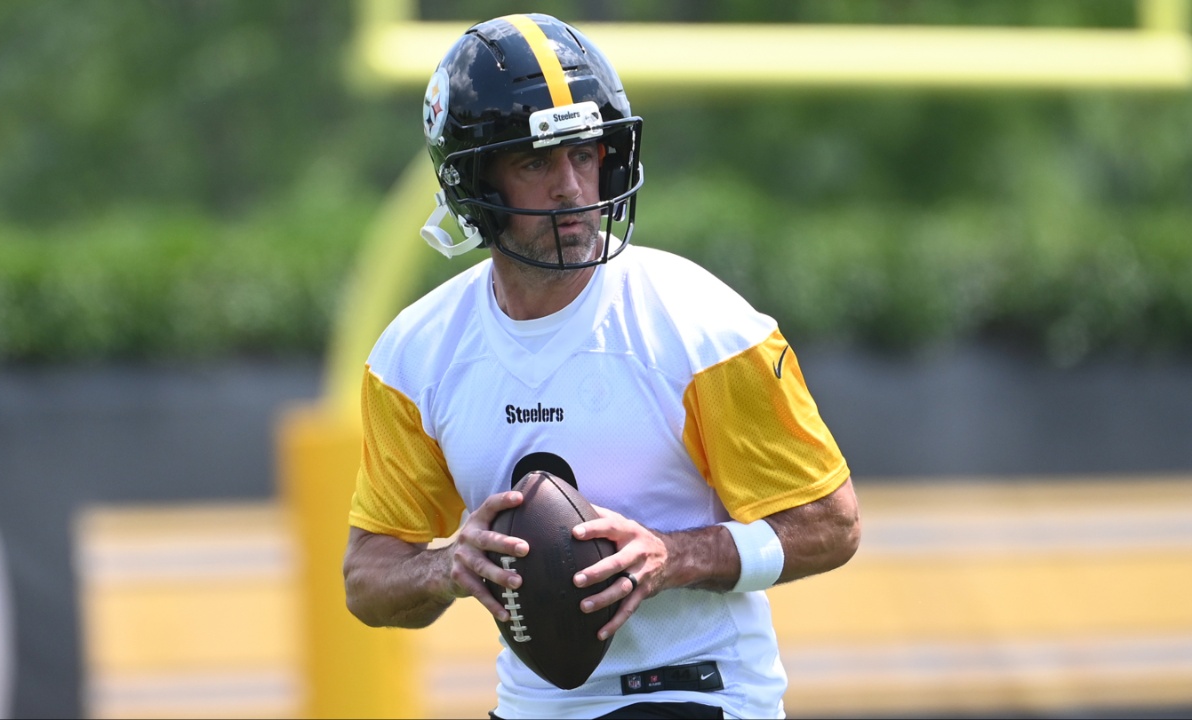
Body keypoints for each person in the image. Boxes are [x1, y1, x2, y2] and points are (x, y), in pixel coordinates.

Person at [342, 12, 860, 720]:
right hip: (532, 706)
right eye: (535, 162)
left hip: (695, 690)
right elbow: (367, 581)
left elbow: (830, 525)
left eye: (585, 154)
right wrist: (447, 569)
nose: (571, 188)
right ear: (473, 183)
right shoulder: (415, 354)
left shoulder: (698, 323)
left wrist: (676, 555)